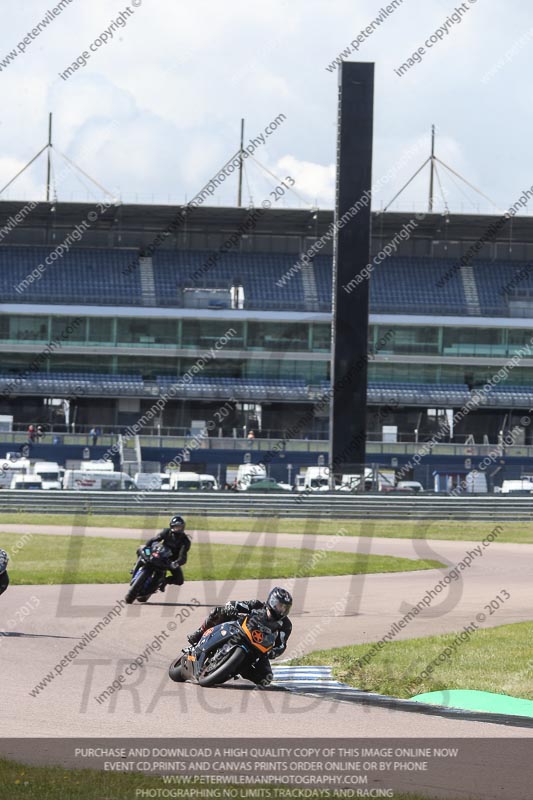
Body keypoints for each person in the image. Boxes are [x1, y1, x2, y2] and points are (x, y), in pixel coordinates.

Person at [187, 587, 293, 686]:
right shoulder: (257, 605)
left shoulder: (286, 625)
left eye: (285, 608)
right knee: (218, 611)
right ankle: (199, 633)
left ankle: (238, 668)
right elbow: (234, 603)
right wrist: (230, 607)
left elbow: (281, 645)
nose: (282, 610)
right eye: (280, 606)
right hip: (238, 630)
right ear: (272, 602)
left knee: (266, 678)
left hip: (258, 649)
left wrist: (273, 652)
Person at [136, 515, 190, 591]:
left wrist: (176, 563)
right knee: (141, 549)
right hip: (160, 554)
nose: (177, 528)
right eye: (175, 526)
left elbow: (183, 556)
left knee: (179, 580)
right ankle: (135, 568)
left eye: (179, 527)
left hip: (170, 561)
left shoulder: (185, 541)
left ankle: (164, 581)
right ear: (171, 526)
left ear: (183, 527)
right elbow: (154, 539)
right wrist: (148, 546)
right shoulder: (166, 531)